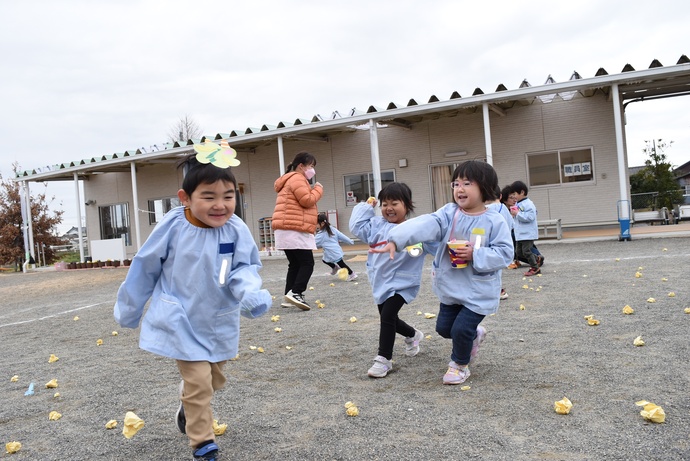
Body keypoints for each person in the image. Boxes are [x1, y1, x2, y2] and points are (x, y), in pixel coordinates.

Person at [114, 154, 272, 461]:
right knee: (199, 382)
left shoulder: (235, 230)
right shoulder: (173, 227)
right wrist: (129, 309)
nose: (220, 205)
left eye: (228, 197)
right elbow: (145, 266)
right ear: (185, 198)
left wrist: (251, 293)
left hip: (218, 318)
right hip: (180, 318)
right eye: (208, 196)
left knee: (212, 379)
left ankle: (188, 406)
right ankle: (202, 443)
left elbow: (243, 268)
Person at [371, 161, 513, 385]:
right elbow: (427, 223)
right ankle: (474, 335)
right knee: (445, 329)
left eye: (467, 183)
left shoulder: (495, 220)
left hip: (478, 289)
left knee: (461, 328)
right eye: (456, 183)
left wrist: (476, 254)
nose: (460, 188)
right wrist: (396, 239)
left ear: (484, 187)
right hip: (451, 287)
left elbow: (505, 254)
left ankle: (459, 365)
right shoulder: (449, 213)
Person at [349, 183, 436, 378]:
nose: (389, 208)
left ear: (407, 205)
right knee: (389, 318)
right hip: (381, 281)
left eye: (394, 203)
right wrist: (366, 206)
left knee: (387, 316)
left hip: (404, 283)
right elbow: (356, 226)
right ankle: (413, 335)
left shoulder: (415, 229)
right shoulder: (376, 226)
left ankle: (384, 359)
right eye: (384, 204)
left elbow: (436, 246)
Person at [272, 152, 324, 310]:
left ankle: (289, 295)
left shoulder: (289, 178)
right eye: (311, 166)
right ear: (301, 166)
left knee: (295, 264)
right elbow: (307, 200)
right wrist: (318, 189)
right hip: (294, 227)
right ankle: (296, 292)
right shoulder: (297, 178)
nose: (312, 170)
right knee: (307, 263)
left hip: (285, 228)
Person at [503, 185, 543, 269]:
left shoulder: (527, 203)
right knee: (519, 251)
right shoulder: (513, 206)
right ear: (504, 200)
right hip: (520, 233)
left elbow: (531, 216)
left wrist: (517, 213)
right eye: (511, 197)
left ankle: (535, 267)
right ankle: (536, 259)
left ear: (522, 192)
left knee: (526, 250)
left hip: (526, 233)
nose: (514, 198)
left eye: (515, 195)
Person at [315, 212, 357, 281]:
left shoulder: (321, 235)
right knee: (325, 260)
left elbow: (313, 243)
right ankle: (335, 268)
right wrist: (349, 241)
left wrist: (306, 245)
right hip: (334, 251)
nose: (315, 225)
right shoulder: (332, 229)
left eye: (316, 223)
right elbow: (341, 235)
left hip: (333, 252)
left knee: (341, 264)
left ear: (322, 223)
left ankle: (352, 274)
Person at [487, 185, 512, 300]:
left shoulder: (484, 208)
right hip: (502, 244)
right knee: (497, 269)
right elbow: (511, 225)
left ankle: (494, 290)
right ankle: (497, 290)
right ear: (500, 196)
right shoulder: (503, 208)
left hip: (487, 243)